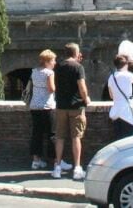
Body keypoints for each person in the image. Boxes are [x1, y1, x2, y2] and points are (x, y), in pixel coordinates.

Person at [51, 42, 90, 181]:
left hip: (61, 105)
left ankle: (57, 167)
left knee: (60, 137)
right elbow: (82, 87)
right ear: (76, 53)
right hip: (76, 107)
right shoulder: (78, 67)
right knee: (76, 137)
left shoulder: (58, 66)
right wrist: (87, 99)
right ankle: (77, 168)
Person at [27, 49, 56, 169]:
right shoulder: (49, 73)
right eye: (53, 60)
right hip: (47, 106)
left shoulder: (34, 72)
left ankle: (36, 160)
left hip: (34, 106)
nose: (55, 62)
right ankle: (54, 160)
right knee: (51, 134)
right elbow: (51, 89)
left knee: (36, 133)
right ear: (48, 61)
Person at [107, 53, 133, 140]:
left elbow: (111, 96)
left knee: (118, 140)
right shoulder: (127, 75)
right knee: (129, 140)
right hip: (127, 113)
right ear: (125, 64)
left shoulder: (111, 77)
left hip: (116, 113)